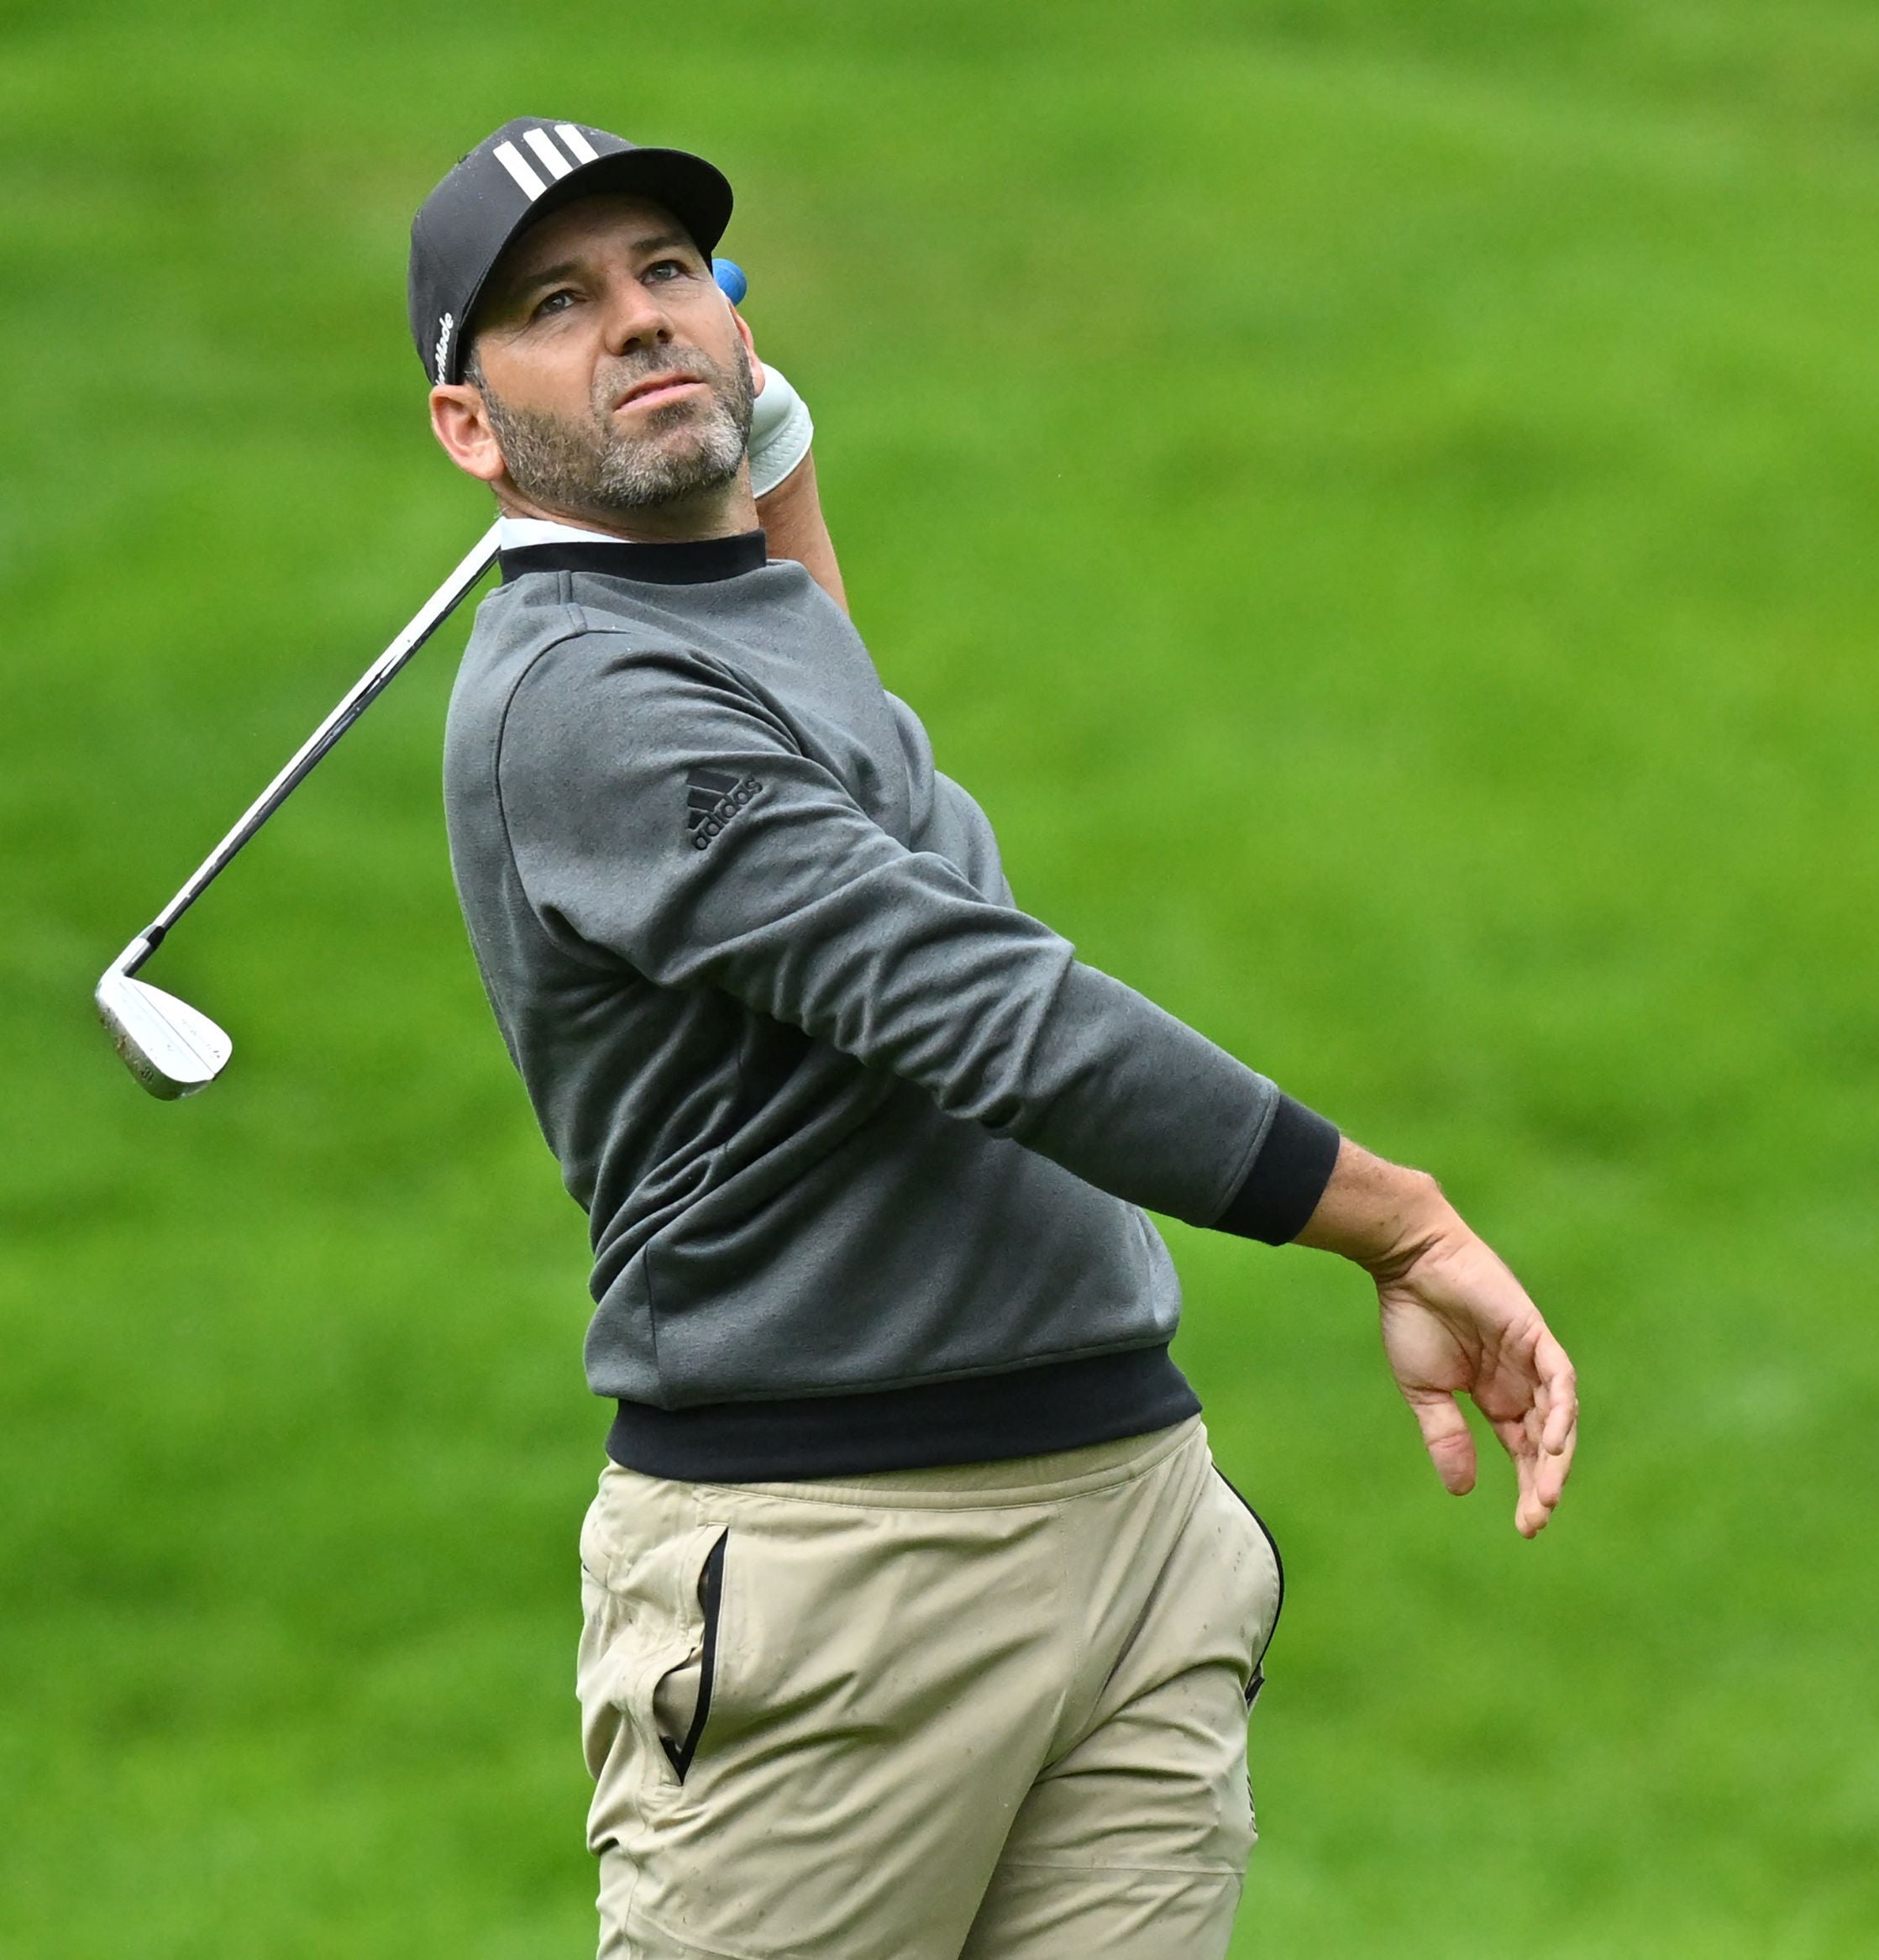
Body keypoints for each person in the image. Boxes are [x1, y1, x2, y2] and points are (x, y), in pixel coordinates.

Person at [409, 118, 1577, 1959]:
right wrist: (1397, 1220)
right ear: (472, 429)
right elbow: (979, 1013)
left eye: (663, 276)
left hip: (1123, 1518)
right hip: (833, 1572)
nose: (635, 321)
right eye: (555, 305)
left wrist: (770, 453)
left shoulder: (727, 615)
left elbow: (835, 713)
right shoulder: (585, 707)